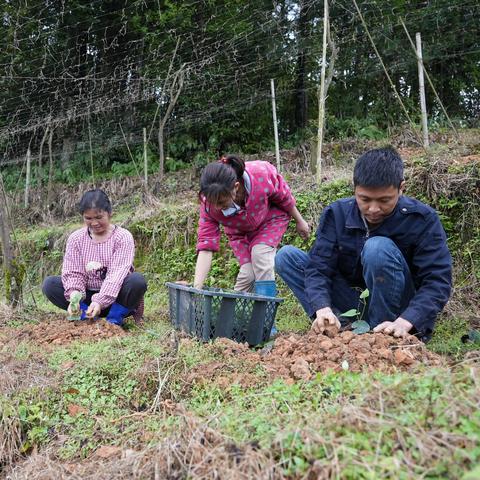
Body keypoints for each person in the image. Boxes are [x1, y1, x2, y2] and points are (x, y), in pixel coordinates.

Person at [275, 148, 452, 341]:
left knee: (377, 248)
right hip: (355, 303)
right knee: (286, 257)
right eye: (365, 199)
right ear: (354, 189)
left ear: (401, 188)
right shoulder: (337, 214)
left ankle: (384, 336)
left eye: (385, 200)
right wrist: (322, 306)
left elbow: (437, 281)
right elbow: (319, 267)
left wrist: (406, 321)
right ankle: (335, 325)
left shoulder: (421, 219)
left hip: (401, 312)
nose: (374, 209)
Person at [194, 155, 310, 297]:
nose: (217, 208)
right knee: (247, 273)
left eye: (222, 203)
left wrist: (299, 220)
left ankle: (265, 312)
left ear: (235, 187)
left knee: (260, 254)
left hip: (270, 219)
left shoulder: (261, 173)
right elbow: (206, 245)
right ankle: (232, 315)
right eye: (214, 203)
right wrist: (196, 289)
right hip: (239, 232)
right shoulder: (208, 205)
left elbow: (283, 196)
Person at [42, 189, 147, 326]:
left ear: (109, 213)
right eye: (88, 218)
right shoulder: (76, 239)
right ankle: (85, 315)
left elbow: (116, 275)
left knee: (137, 281)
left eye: (99, 217)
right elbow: (73, 272)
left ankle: (114, 319)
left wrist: (100, 301)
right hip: (87, 298)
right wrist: (75, 297)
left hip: (116, 298)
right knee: (50, 284)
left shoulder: (122, 237)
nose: (94, 223)